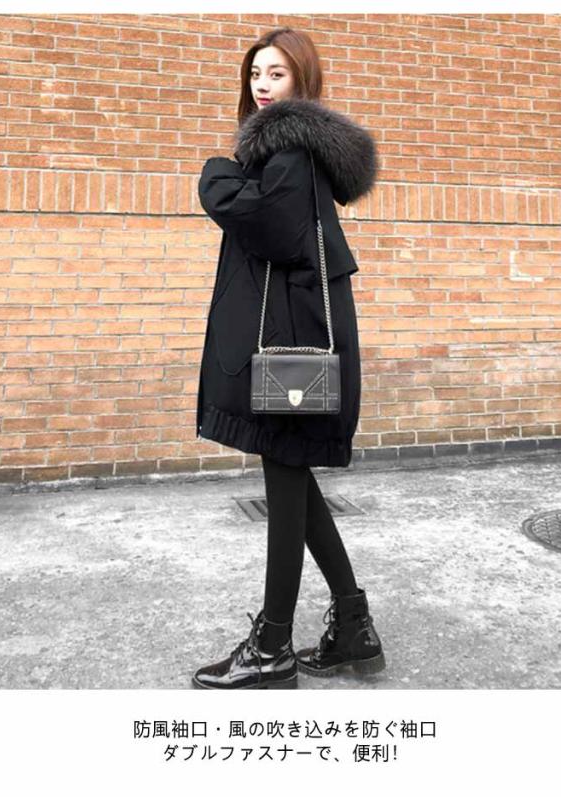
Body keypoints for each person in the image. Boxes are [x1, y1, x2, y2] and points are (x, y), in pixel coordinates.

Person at [192, 27, 385, 689]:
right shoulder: (297, 153)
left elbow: (270, 226)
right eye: (255, 74)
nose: (262, 85)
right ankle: (354, 626)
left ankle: (272, 647)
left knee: (286, 480)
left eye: (276, 73)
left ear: (302, 79)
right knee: (293, 480)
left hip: (291, 345)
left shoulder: (290, 151)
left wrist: (215, 176)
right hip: (298, 336)